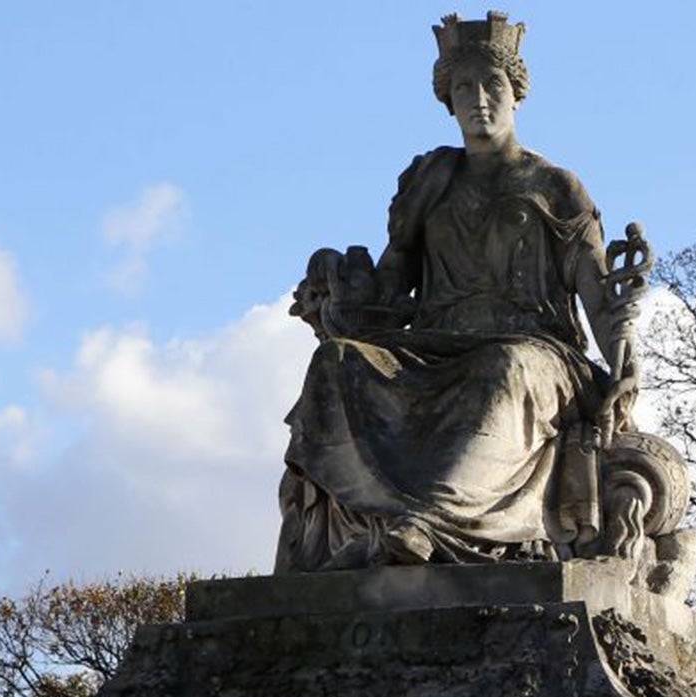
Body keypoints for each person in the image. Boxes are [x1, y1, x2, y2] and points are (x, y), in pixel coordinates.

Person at [279, 11, 669, 575]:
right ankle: (342, 541)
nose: (478, 100)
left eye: (492, 86)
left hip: (537, 352)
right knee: (336, 363)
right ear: (448, 99)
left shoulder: (555, 187)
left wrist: (624, 359)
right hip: (434, 344)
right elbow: (391, 288)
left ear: (516, 95)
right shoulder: (430, 179)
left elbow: (596, 294)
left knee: (503, 368)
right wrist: (339, 294)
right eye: (464, 88)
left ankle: (430, 523)